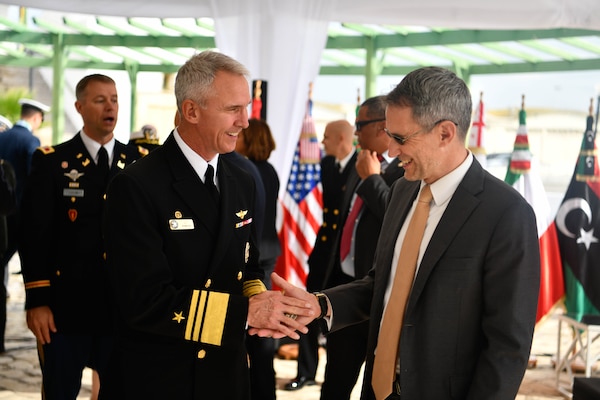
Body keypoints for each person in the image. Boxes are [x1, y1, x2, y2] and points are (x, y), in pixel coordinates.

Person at [260, 66, 541, 400]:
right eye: (389, 135)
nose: (390, 151)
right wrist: (321, 304)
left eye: (401, 138)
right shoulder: (401, 192)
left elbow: (507, 347)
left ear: (445, 133)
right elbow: (385, 282)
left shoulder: (506, 213)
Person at [100, 50, 311, 400]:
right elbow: (144, 301)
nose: (245, 122)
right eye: (233, 110)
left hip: (224, 375)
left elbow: (248, 266)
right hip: (160, 378)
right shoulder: (137, 185)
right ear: (192, 111)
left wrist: (264, 303)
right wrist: (246, 313)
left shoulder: (240, 178)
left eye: (246, 108)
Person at [18, 74, 140, 399]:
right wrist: (38, 301)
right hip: (65, 311)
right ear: (80, 107)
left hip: (120, 312)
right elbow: (34, 235)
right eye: (100, 100)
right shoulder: (53, 162)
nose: (109, 106)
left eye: (114, 99)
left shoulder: (139, 163)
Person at [319, 97, 405, 400]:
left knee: (374, 384)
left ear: (382, 127)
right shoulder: (361, 162)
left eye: (360, 126)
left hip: (376, 295)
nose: (356, 134)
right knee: (335, 381)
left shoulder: (405, 169)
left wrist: (372, 179)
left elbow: (397, 218)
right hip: (346, 287)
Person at [282, 119, 356, 391]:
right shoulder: (324, 166)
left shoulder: (361, 167)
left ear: (340, 138)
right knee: (307, 311)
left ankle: (331, 376)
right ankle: (306, 371)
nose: (321, 143)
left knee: (337, 323)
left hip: (345, 260)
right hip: (323, 253)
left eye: (326, 137)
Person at [236, 118, 281, 400]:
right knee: (260, 335)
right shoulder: (270, 171)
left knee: (254, 331)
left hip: (252, 260)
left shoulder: (241, 170)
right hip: (267, 254)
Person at [0, 98, 49, 354]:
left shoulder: (3, 138)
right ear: (37, 118)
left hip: (1, 220)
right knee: (34, 272)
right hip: (21, 219)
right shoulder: (31, 142)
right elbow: (36, 183)